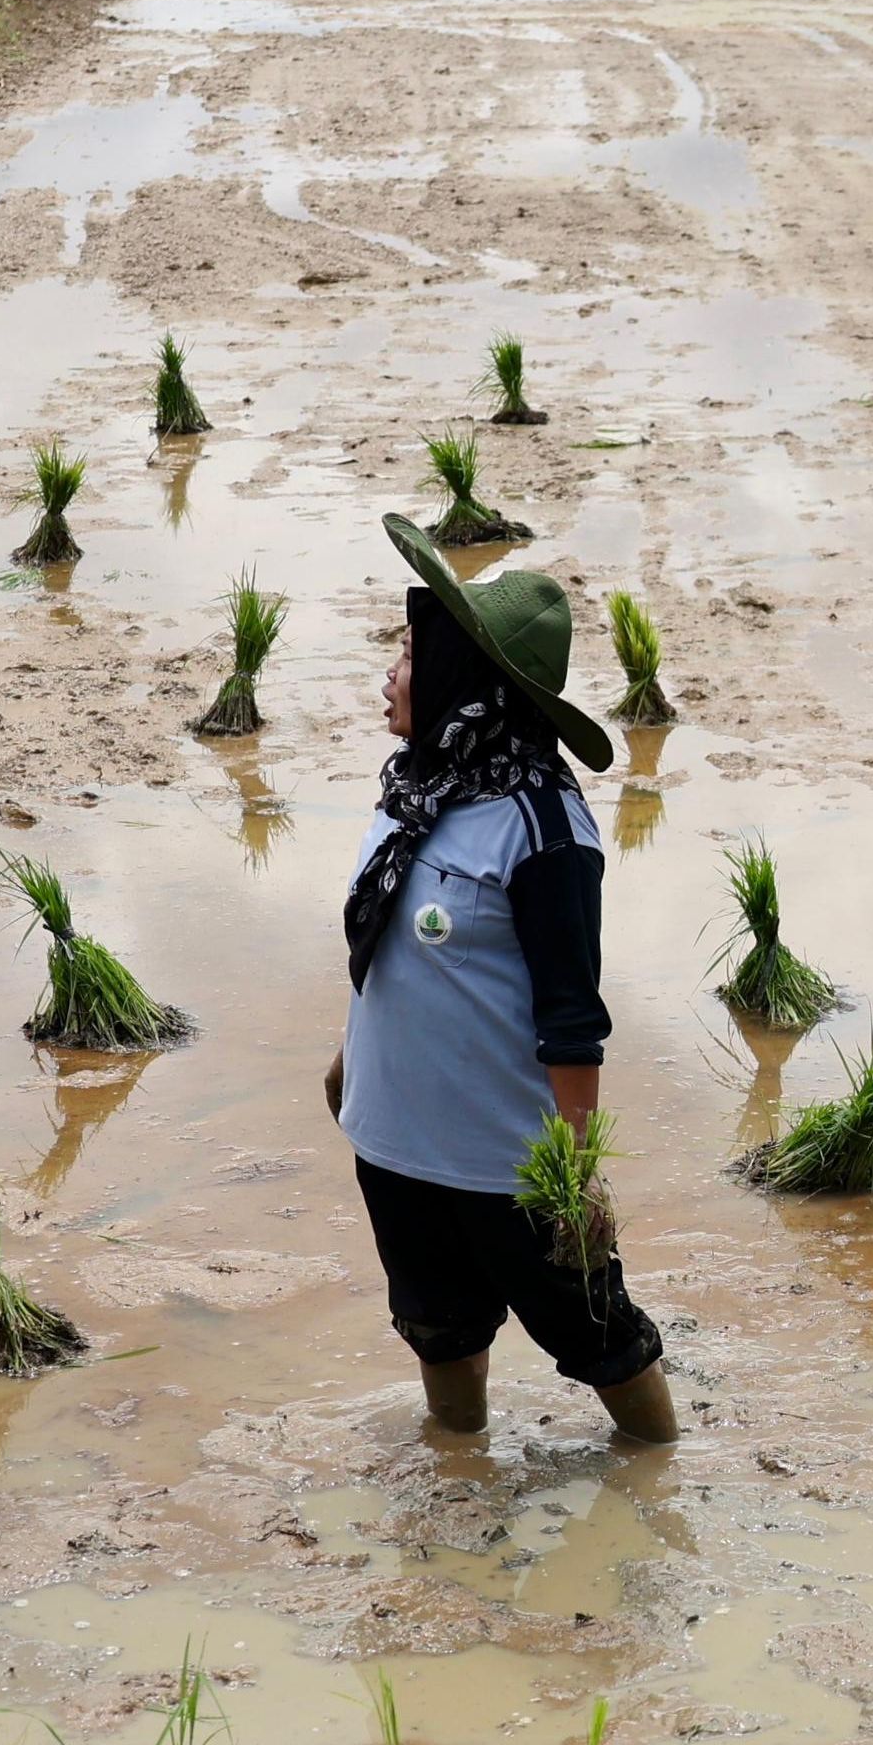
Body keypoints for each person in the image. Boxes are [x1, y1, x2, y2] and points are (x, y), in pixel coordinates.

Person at [327, 517, 677, 1445]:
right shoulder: (416, 793)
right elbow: (390, 951)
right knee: (436, 1329)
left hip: (508, 1167)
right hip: (397, 1145)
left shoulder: (543, 830)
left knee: (598, 1337)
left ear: (461, 677)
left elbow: (572, 1014)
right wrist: (346, 1063)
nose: (392, 673)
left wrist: (577, 1172)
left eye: (409, 653)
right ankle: (459, 1483)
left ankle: (657, 1475)